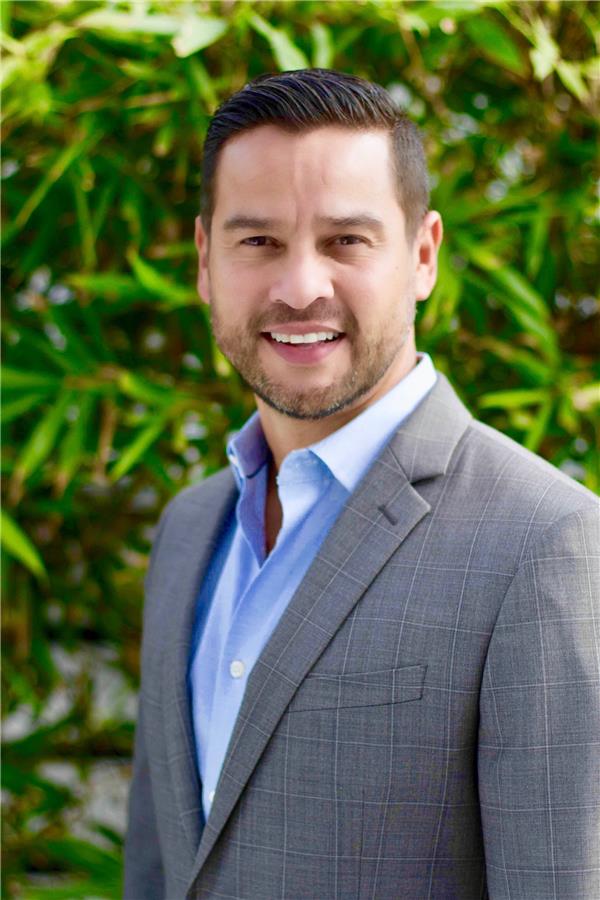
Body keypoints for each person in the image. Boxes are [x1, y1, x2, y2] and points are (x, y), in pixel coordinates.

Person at [124, 69, 599, 900]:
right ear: (204, 261)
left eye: (346, 240)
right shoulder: (188, 530)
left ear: (423, 256)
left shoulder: (545, 546)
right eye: (258, 241)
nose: (301, 287)